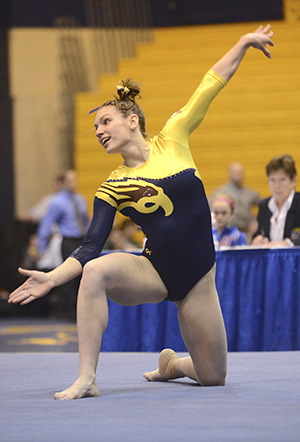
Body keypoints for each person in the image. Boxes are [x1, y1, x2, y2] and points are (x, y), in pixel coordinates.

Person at [8, 25, 274, 400]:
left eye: (105, 121)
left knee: (213, 377)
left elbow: (211, 83)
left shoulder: (174, 137)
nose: (98, 131)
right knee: (97, 271)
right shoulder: (111, 186)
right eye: (95, 126)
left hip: (198, 278)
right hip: (153, 272)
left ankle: (172, 366)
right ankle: (87, 377)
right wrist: (52, 278)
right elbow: (88, 248)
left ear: (132, 120)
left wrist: (243, 43)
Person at [37, 169, 90, 318]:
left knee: (84, 275)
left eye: (76, 179)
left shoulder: (80, 199)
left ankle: (83, 309)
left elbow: (85, 221)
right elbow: (46, 225)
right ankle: (71, 311)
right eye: (71, 180)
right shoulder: (57, 201)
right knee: (69, 277)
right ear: (63, 183)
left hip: (82, 240)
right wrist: (41, 248)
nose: (75, 183)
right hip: (68, 241)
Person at [252, 154, 300, 247]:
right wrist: (258, 239)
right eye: (272, 180)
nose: (277, 186)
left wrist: (287, 243)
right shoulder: (264, 205)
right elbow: (259, 233)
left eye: (282, 180)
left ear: (293, 181)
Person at [209, 161, 260, 236]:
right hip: (226, 232)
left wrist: (257, 222)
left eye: (240, 172)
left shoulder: (250, 193)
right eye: (235, 172)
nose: (238, 174)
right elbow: (209, 210)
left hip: (246, 232)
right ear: (229, 173)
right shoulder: (219, 193)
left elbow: (264, 206)